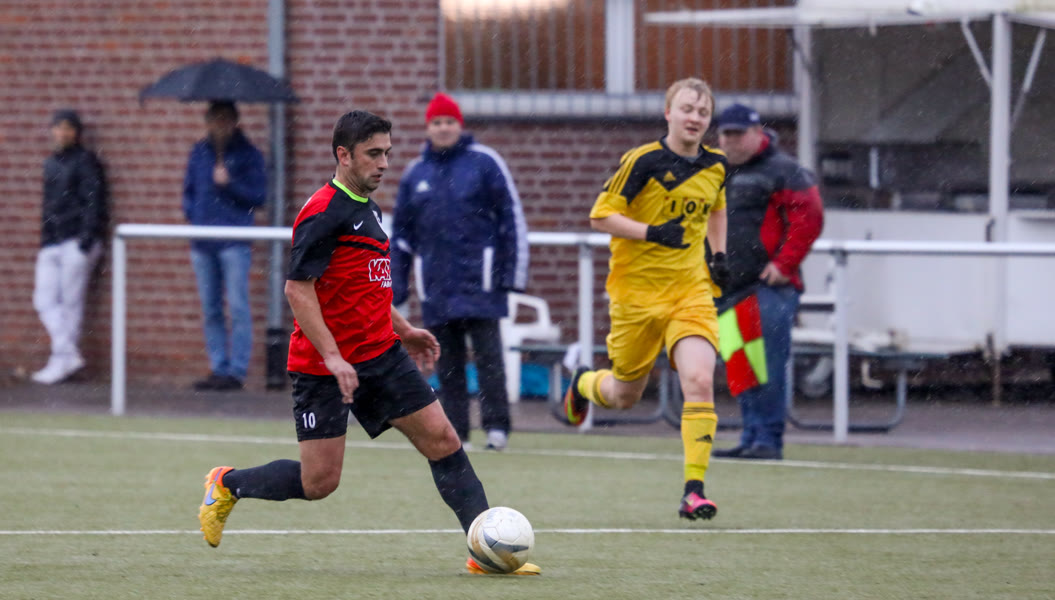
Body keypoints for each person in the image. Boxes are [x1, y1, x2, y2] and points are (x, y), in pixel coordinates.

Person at [197, 110, 539, 576]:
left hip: (381, 355)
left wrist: (404, 329)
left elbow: (366, 284)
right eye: (373, 154)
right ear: (344, 155)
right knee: (319, 482)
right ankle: (227, 484)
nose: (384, 164)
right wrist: (333, 357)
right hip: (323, 368)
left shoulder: (370, 207)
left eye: (387, 153)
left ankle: (484, 552)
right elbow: (298, 290)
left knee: (443, 440)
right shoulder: (324, 212)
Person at [559, 78, 730, 521]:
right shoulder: (643, 160)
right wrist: (652, 232)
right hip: (636, 296)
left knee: (700, 380)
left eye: (703, 112)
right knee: (624, 395)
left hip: (690, 291)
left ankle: (694, 490)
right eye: (687, 109)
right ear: (668, 113)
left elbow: (716, 208)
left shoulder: (717, 166)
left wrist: (719, 254)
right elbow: (601, 216)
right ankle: (583, 383)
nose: (695, 118)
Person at [391, 92, 529, 451]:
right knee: (446, 363)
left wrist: (510, 275)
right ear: (428, 127)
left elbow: (511, 218)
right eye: (436, 122)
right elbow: (401, 236)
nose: (443, 128)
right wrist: (397, 287)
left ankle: (497, 428)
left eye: (449, 121)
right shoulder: (415, 173)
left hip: (481, 284)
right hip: (436, 287)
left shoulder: (485, 163)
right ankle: (457, 433)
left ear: (460, 125)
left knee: (489, 359)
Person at [711, 103, 824, 460]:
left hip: (768, 287)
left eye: (738, 134)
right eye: (726, 134)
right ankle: (751, 436)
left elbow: (809, 218)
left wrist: (784, 264)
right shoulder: (716, 171)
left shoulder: (784, 170)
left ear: (757, 133)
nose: (731, 141)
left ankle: (768, 439)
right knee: (741, 366)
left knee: (768, 366)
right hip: (729, 286)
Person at [182, 100, 267, 391]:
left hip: (234, 241)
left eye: (224, 120)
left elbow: (259, 196)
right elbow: (189, 192)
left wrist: (229, 184)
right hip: (203, 242)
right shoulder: (199, 152)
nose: (219, 126)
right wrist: (194, 216)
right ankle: (218, 367)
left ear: (234, 122)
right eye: (214, 120)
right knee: (211, 308)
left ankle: (236, 371)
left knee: (238, 306)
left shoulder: (249, 155)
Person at [31, 109, 107, 384]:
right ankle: (68, 354)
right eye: (58, 127)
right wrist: (45, 238)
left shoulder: (86, 161)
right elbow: (49, 204)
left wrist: (86, 240)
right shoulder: (50, 163)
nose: (62, 133)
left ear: (76, 132)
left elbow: (93, 201)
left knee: (71, 303)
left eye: (68, 128)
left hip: (76, 240)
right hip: (53, 241)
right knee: (43, 300)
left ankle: (61, 361)